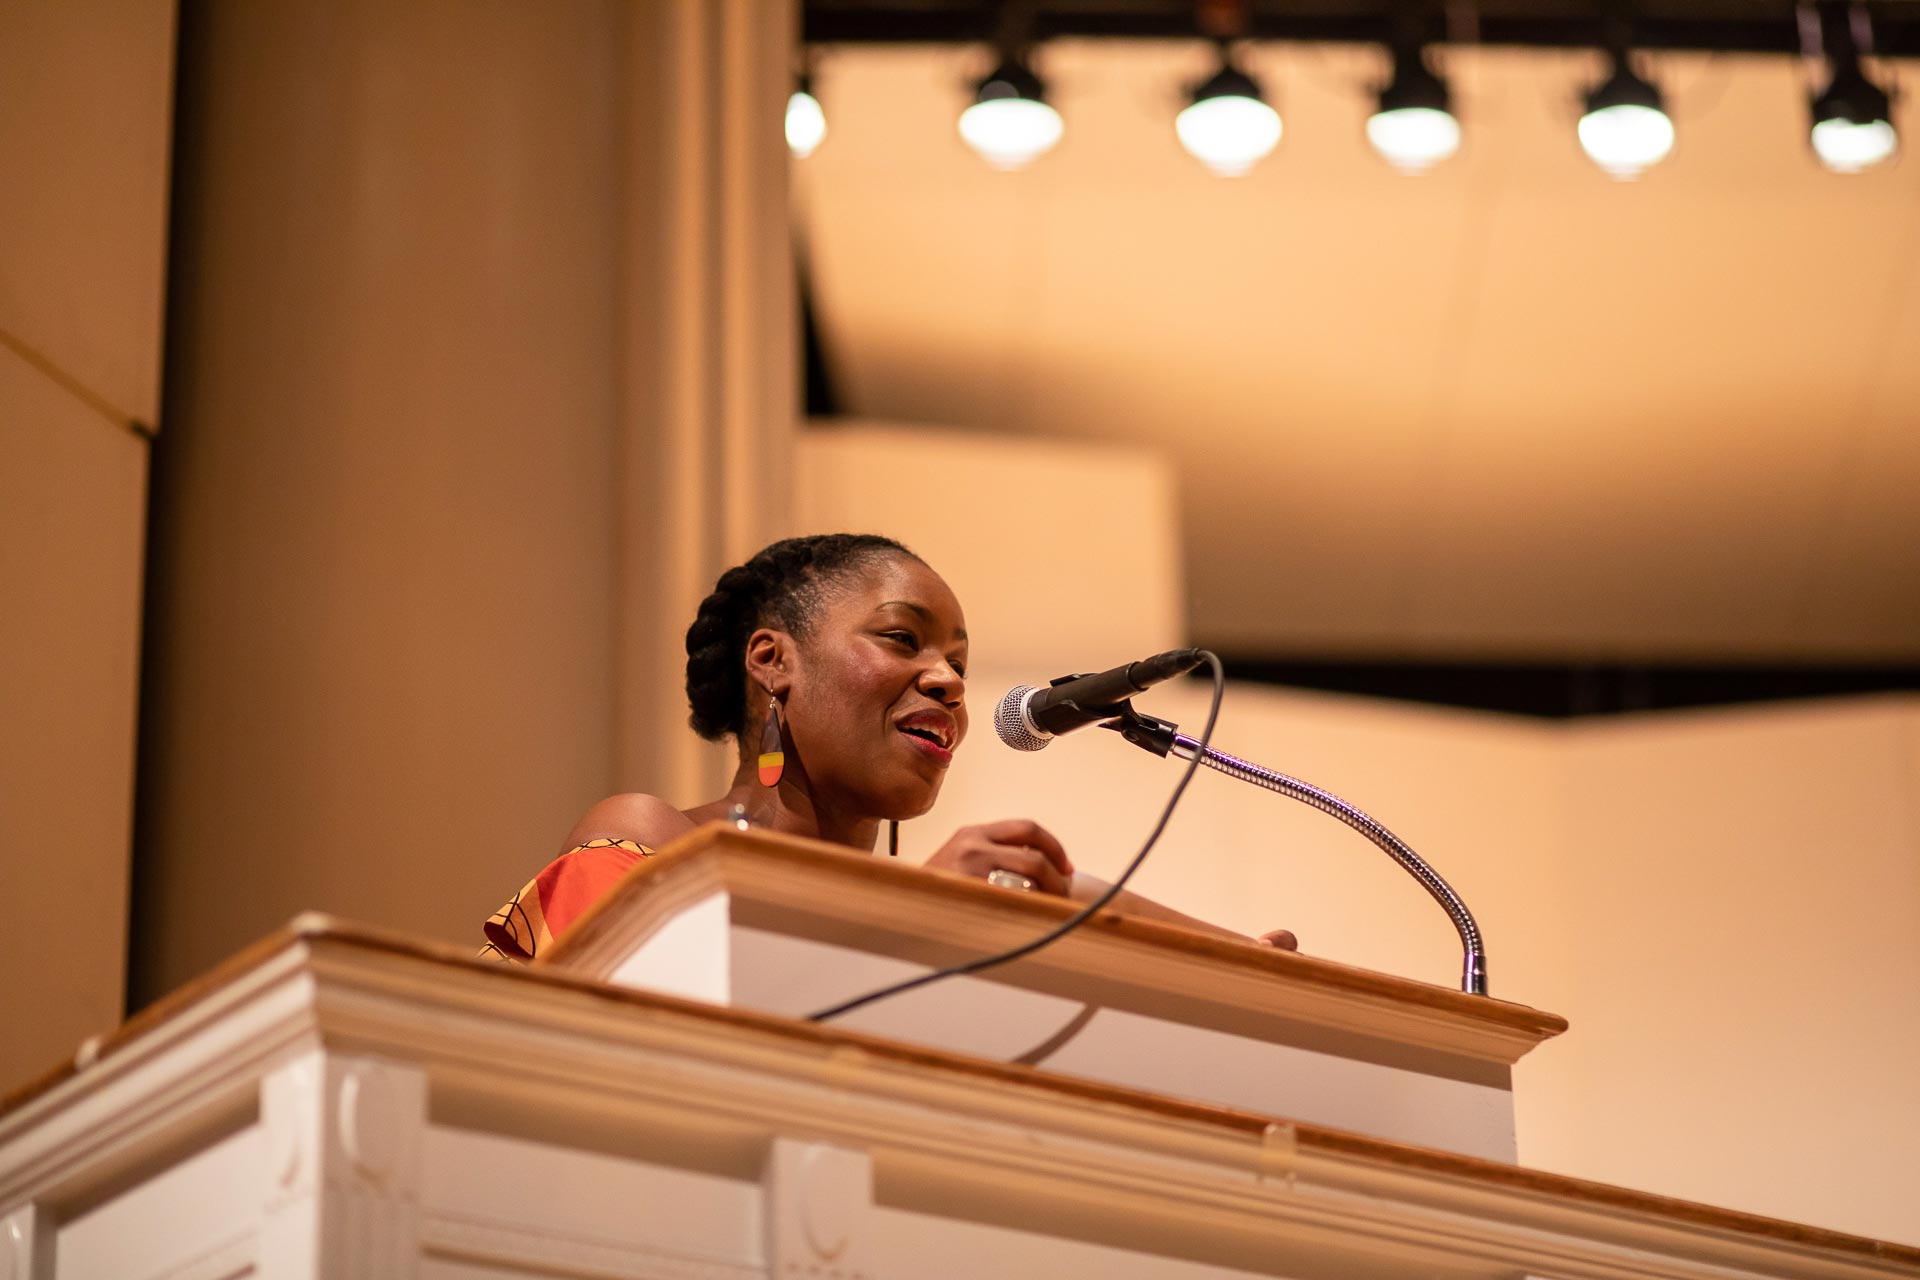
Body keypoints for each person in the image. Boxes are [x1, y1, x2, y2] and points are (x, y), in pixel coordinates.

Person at [483, 533, 1295, 962]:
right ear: (772, 661)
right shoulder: (650, 836)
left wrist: (1243, 963)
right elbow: (628, 1034)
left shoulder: (915, 910)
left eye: (960, 665)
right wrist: (913, 918)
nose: (947, 681)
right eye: (902, 639)